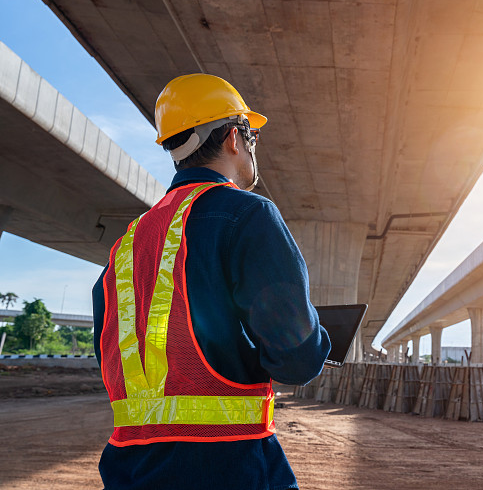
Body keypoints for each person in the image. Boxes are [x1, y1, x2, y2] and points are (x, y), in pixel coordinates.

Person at [92, 73, 331, 489]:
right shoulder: (248, 214)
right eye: (252, 135)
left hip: (129, 469)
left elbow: (118, 350)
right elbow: (297, 361)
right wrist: (316, 337)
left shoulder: (128, 242)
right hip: (228, 464)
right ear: (235, 139)